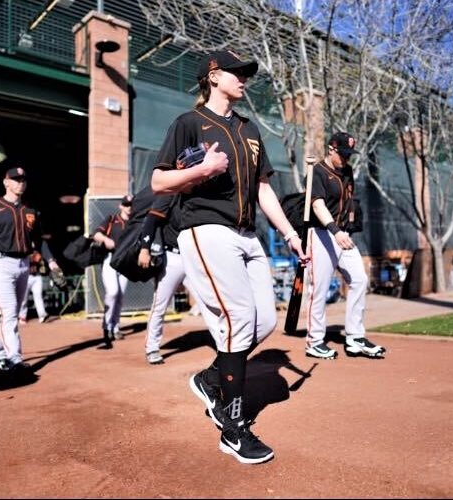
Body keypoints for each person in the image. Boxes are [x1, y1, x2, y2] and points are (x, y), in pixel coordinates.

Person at [151, 49, 308, 464]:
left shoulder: (249, 129)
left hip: (246, 234)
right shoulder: (188, 123)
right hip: (205, 228)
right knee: (239, 320)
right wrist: (202, 170)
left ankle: (210, 378)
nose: (244, 79)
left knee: (266, 321)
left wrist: (290, 233)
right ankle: (232, 428)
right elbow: (160, 179)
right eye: (238, 73)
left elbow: (263, 190)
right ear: (213, 75)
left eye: (246, 73)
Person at [0, 166, 62, 372]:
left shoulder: (31, 211)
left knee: (11, 314)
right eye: (15, 179)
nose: (20, 183)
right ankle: (15, 359)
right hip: (0, 264)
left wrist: (51, 262)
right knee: (9, 313)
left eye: (23, 179)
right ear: (6, 182)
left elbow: (39, 242)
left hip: (23, 264)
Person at [304, 132, 386, 359]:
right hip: (321, 233)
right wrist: (334, 230)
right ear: (331, 149)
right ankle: (314, 341)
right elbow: (317, 205)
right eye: (343, 154)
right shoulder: (316, 172)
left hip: (343, 234)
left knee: (359, 280)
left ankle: (354, 337)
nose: (346, 158)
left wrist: (346, 228)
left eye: (350, 154)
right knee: (318, 289)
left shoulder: (348, 171)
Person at [136, 190, 188, 365]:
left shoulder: (200, 196)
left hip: (195, 257)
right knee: (160, 304)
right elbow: (151, 220)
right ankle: (152, 347)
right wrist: (145, 248)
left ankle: (224, 346)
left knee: (210, 302)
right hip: (173, 257)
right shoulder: (170, 194)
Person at [92, 195, 133, 346]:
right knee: (113, 292)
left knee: (120, 296)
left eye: (131, 205)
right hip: (110, 259)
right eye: (126, 204)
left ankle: (115, 327)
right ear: (120, 206)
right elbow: (95, 233)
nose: (129, 207)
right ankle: (106, 326)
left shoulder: (135, 222)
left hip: (125, 261)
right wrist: (105, 239)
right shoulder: (112, 219)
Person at [18, 250, 49, 324]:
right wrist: (31, 257)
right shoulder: (22, 250)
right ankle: (22, 317)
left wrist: (40, 259)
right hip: (26, 276)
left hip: (37, 276)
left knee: (38, 296)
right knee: (23, 298)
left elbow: (42, 262)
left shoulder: (37, 249)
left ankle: (42, 315)